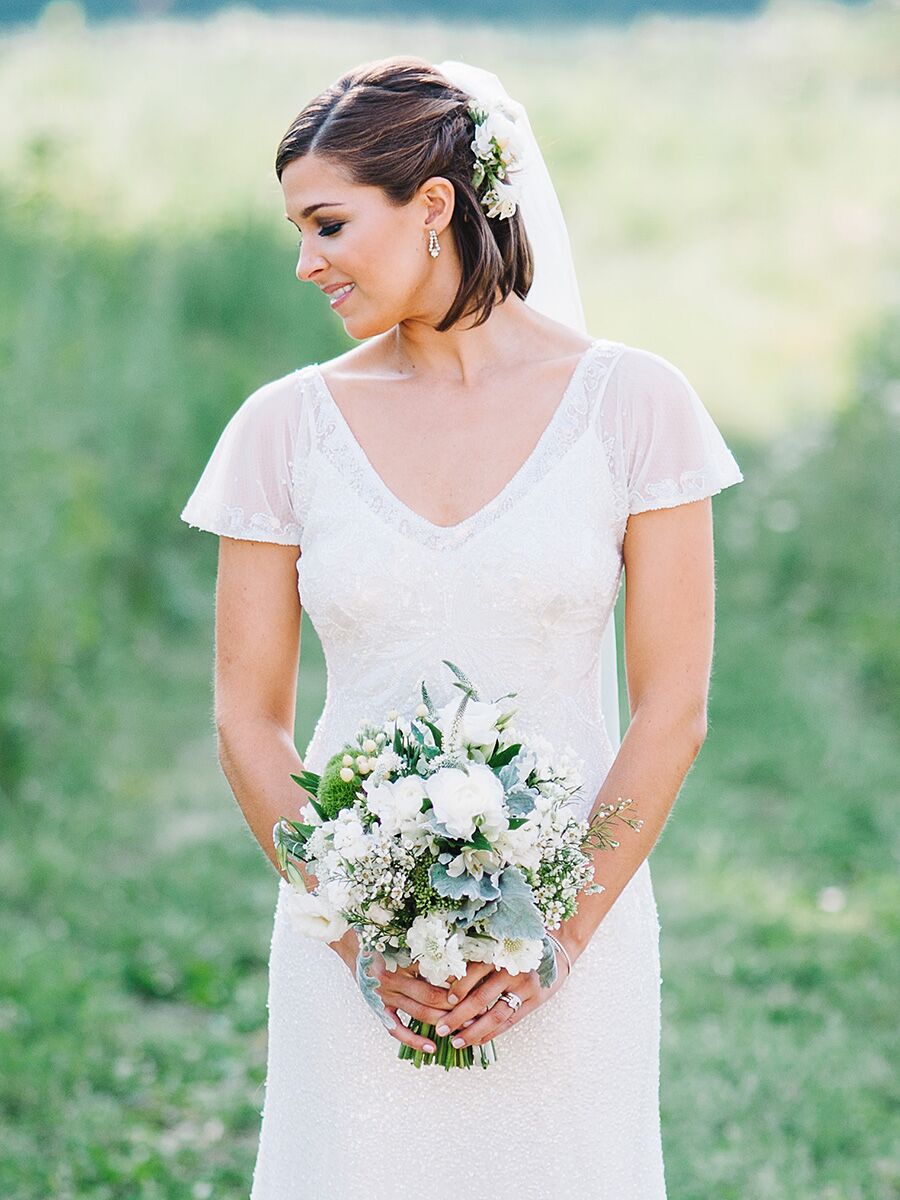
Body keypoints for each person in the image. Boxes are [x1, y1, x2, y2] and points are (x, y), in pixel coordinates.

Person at [180, 55, 744, 1200]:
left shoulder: (636, 406)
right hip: (351, 948)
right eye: (298, 229)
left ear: (434, 205)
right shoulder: (281, 430)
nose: (305, 262)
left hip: (576, 935)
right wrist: (362, 941)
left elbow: (673, 707)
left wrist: (556, 942)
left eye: (328, 223)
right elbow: (248, 722)